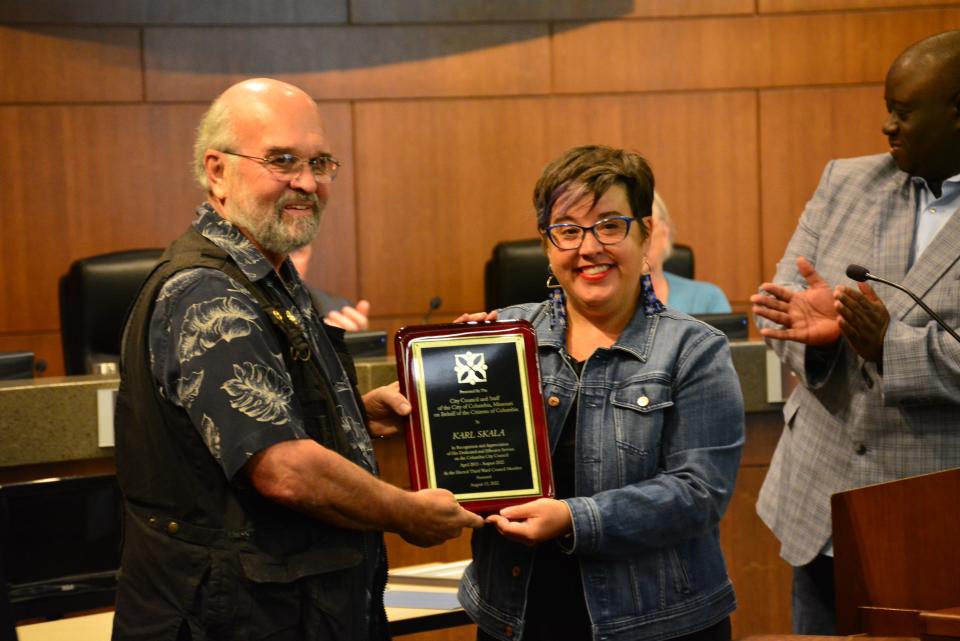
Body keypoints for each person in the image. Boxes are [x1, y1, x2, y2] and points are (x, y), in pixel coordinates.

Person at [111, 77, 482, 641]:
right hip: (237, 619)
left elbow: (243, 424)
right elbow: (282, 469)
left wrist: (351, 413)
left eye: (321, 162)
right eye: (282, 161)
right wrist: (406, 513)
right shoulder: (209, 292)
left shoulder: (271, 277)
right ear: (217, 170)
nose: (306, 183)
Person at [457, 145, 745, 641]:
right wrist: (449, 369)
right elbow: (465, 459)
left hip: (658, 623)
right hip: (518, 618)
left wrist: (574, 518)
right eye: (568, 230)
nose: (588, 248)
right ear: (547, 244)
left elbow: (699, 494)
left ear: (646, 233)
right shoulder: (503, 338)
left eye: (610, 225)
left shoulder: (695, 349)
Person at [750, 30, 960, 635]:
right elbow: (778, 308)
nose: (886, 128)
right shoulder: (847, 182)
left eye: (903, 112)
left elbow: (892, 345)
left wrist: (888, 349)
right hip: (822, 506)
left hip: (938, 526)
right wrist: (819, 338)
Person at [648, 192, 732, 314]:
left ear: (665, 233)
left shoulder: (707, 300)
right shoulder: (610, 303)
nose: (639, 240)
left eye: (646, 228)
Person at [289, 244, 372, 332]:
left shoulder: (341, 309)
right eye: (273, 250)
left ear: (308, 253)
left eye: (294, 251)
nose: (286, 263)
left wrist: (359, 342)